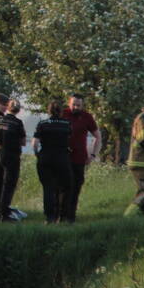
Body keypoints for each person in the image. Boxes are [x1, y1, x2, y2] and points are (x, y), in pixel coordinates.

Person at [32, 100, 74, 224]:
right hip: (62, 158)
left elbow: (35, 143)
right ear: (60, 111)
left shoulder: (42, 124)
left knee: (48, 188)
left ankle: (49, 217)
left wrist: (37, 154)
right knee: (65, 187)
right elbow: (69, 139)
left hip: (45, 158)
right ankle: (62, 216)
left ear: (48, 111)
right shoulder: (67, 124)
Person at [62, 93, 101, 222]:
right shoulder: (63, 114)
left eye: (78, 105)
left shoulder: (87, 117)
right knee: (62, 187)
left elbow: (98, 136)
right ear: (69, 103)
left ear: (82, 106)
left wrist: (93, 155)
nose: (75, 107)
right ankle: (60, 215)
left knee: (75, 188)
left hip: (79, 159)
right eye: (73, 104)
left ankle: (71, 217)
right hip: (63, 158)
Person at [0, 98, 26, 221]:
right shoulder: (18, 123)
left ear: (8, 107)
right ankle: (4, 212)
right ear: (18, 110)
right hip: (11, 154)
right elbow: (23, 141)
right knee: (9, 183)